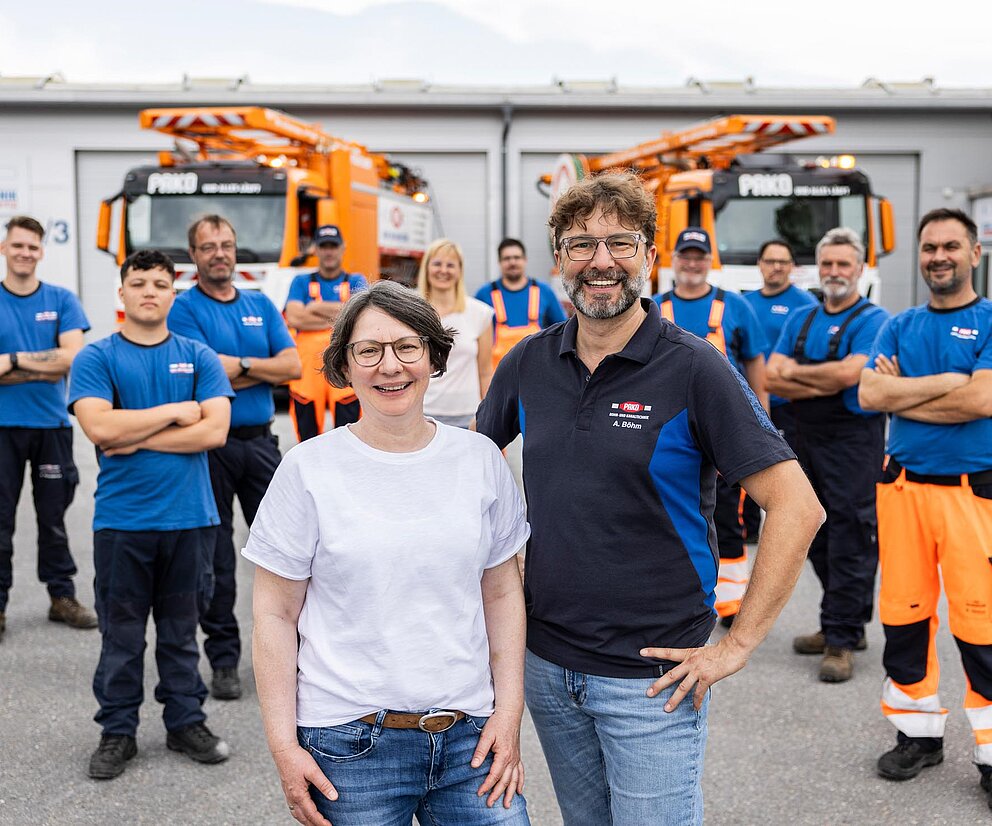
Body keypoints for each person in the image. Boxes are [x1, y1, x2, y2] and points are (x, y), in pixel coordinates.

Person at [477, 171, 824, 825]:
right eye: (581, 244)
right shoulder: (527, 363)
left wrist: (739, 643)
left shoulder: (695, 367)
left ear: (649, 258)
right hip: (549, 667)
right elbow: (467, 466)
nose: (600, 261)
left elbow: (797, 504)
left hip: (653, 677)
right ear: (559, 261)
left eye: (620, 243)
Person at [244, 280, 531, 825]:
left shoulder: (479, 460)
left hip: (470, 738)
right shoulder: (308, 469)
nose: (389, 366)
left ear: (433, 356)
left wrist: (508, 712)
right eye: (368, 351)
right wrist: (285, 749)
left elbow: (501, 594)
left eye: (406, 347)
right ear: (345, 367)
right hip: (347, 747)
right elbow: (274, 615)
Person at [70, 249, 233, 780]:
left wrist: (133, 433)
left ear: (172, 294)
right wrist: (170, 415)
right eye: (138, 282)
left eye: (160, 284)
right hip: (122, 523)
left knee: (181, 632)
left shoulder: (199, 356)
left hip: (190, 520)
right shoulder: (97, 358)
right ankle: (118, 732)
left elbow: (214, 432)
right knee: (121, 636)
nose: (149, 291)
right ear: (122, 293)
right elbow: (99, 430)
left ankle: (186, 722)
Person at [859, 208, 992, 807]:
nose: (938, 256)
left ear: (974, 254)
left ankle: (991, 759)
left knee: (982, 626)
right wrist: (951, 380)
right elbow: (869, 393)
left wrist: (907, 392)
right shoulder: (898, 325)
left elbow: (985, 400)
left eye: (950, 246)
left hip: (973, 494)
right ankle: (918, 735)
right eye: (929, 247)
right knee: (905, 618)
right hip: (903, 491)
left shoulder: (990, 318)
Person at [168, 214, 301, 702]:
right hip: (213, 447)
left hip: (261, 443)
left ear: (235, 249)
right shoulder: (184, 311)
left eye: (226, 244)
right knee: (217, 556)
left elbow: (291, 366)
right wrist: (255, 372)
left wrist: (239, 366)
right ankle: (223, 659)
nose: (219, 253)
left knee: (290, 549)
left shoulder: (259, 303)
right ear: (195, 255)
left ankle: (298, 653)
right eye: (208, 246)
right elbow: (200, 380)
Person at [766, 227, 890, 683]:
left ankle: (840, 639)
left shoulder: (874, 320)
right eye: (828, 263)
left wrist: (802, 375)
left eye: (844, 264)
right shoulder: (800, 317)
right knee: (811, 530)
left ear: (859, 269)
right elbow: (773, 378)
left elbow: (851, 375)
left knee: (850, 535)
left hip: (852, 439)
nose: (835, 271)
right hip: (802, 435)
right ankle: (845, 620)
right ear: (818, 268)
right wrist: (822, 376)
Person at [653, 226, 770, 625]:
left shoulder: (734, 307)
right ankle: (671, 587)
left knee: (727, 517)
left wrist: (763, 421)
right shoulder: (653, 306)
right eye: (685, 255)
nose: (692, 263)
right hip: (664, 430)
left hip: (723, 430)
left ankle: (733, 601)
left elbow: (754, 363)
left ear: (709, 261)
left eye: (699, 256)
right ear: (673, 259)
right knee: (665, 511)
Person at [0, 215, 95, 641]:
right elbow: (57, 360)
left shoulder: (62, 299)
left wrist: (14, 362)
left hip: (51, 427)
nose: (24, 253)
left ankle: (62, 597)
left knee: (53, 518)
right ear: (5, 248)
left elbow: (74, 357)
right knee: (0, 520)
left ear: (41, 251)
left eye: (32, 246)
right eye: (17, 245)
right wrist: (46, 363)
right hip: (3, 427)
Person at [741, 240, 818, 536]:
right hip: (747, 402)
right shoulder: (745, 302)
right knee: (746, 466)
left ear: (792, 268)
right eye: (770, 261)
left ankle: (792, 527)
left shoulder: (806, 305)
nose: (776, 267)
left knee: (785, 468)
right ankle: (747, 528)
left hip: (788, 406)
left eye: (783, 262)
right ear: (759, 264)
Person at [283, 224, 368, 441]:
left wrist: (314, 307)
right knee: (307, 432)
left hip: (346, 364)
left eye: (333, 246)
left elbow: (363, 313)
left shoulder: (356, 280)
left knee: (350, 432)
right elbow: (294, 317)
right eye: (323, 246)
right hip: (308, 369)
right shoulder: (301, 281)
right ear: (316, 249)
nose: (328, 251)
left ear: (342, 248)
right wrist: (343, 315)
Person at [417, 238, 494, 428]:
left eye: (450, 265)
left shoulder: (480, 313)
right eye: (437, 264)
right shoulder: (411, 312)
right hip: (420, 414)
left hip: (468, 416)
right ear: (426, 268)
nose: (443, 270)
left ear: (460, 271)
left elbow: (484, 372)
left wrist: (490, 415)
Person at [474, 238, 567, 368]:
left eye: (517, 257)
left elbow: (563, 330)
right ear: (499, 262)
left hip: (538, 373)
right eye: (507, 258)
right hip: (496, 378)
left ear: (525, 260)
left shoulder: (544, 291)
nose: (512, 262)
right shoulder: (484, 294)